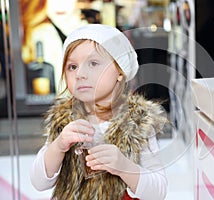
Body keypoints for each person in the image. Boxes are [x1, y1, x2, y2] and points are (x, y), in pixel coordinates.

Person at [30, 24, 168, 200]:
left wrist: (124, 166)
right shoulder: (64, 121)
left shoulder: (138, 122)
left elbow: (159, 191)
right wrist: (58, 145)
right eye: (72, 66)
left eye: (93, 63)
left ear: (120, 71)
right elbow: (39, 182)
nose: (80, 74)